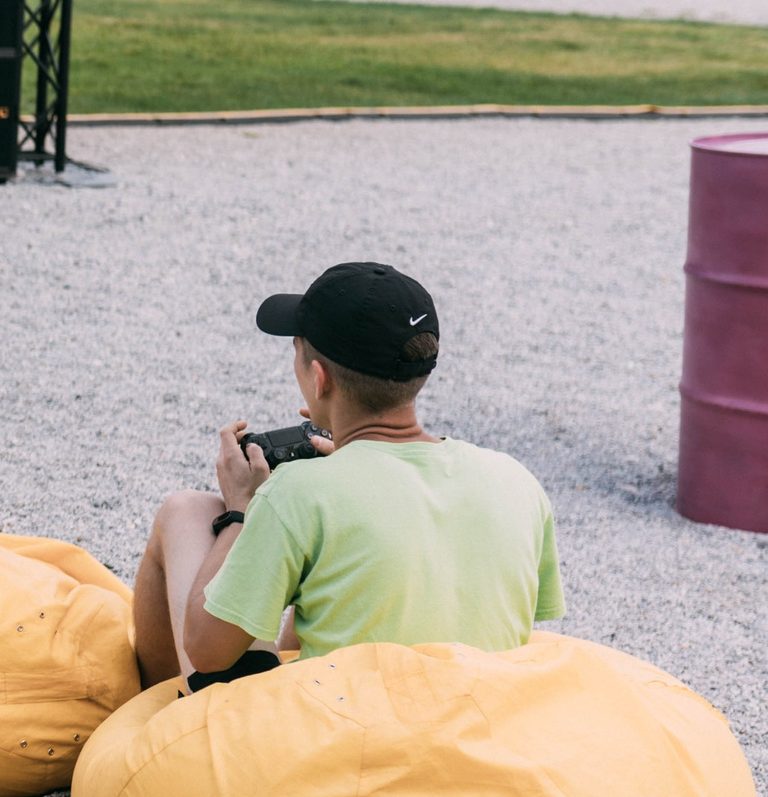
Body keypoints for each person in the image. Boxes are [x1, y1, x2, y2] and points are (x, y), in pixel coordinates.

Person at [130, 263, 563, 693]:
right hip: (478, 725)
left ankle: (149, 718)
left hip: (348, 740)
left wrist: (242, 511)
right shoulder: (516, 480)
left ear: (319, 380)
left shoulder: (299, 493)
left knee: (185, 511)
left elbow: (206, 652)